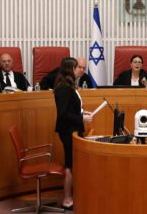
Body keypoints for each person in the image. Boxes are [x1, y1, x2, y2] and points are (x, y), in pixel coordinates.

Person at [54, 57, 93, 210]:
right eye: (77, 67)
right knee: (70, 165)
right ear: (69, 68)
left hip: (74, 129)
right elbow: (63, 114)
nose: (79, 69)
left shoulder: (70, 86)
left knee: (74, 164)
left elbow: (72, 108)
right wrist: (82, 117)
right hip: (68, 131)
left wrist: (82, 112)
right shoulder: (64, 88)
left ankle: (72, 196)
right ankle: (67, 199)